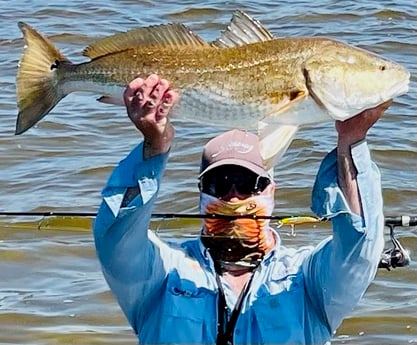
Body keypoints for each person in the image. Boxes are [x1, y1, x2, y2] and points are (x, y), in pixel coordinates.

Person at [93, 74, 391, 344]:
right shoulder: (165, 272)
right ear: (201, 193)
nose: (234, 197)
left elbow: (359, 245)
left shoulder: (306, 278)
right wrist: (153, 149)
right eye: (219, 184)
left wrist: (350, 142)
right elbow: (115, 238)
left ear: (272, 191)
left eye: (249, 184)